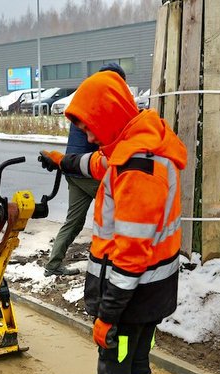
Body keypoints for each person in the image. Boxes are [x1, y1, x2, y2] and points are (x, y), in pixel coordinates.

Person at [38, 69, 186, 374]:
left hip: (130, 296)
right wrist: (63, 160)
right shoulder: (136, 145)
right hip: (151, 294)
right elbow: (102, 163)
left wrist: (107, 314)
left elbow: (130, 256)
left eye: (87, 122)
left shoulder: (139, 168)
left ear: (106, 115)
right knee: (138, 366)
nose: (83, 131)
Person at [43, 63, 127, 277]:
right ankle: (116, 265)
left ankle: (53, 265)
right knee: (119, 209)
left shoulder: (85, 97)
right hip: (86, 170)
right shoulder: (101, 102)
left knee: (74, 221)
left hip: (72, 169)